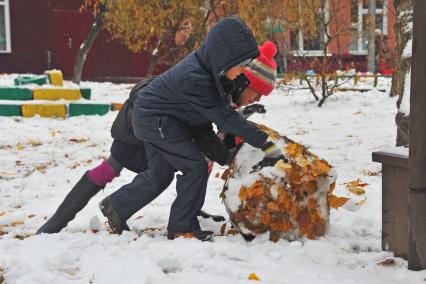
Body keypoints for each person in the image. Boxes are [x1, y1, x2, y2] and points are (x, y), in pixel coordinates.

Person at [36, 38, 278, 235]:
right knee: (114, 168)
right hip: (137, 128)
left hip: (160, 125)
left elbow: (205, 135)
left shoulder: (219, 90)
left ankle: (123, 209)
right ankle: (55, 224)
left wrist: (229, 151)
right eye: (257, 92)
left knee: (168, 170)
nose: (257, 99)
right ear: (242, 80)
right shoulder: (207, 86)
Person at [98, 17, 281, 242]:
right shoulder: (199, 78)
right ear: (225, 59)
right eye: (241, 66)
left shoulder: (212, 75)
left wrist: (224, 156)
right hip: (156, 118)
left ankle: (115, 207)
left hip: (162, 117)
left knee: (160, 173)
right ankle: (182, 227)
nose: (242, 71)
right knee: (194, 165)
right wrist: (264, 142)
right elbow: (225, 119)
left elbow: (202, 128)